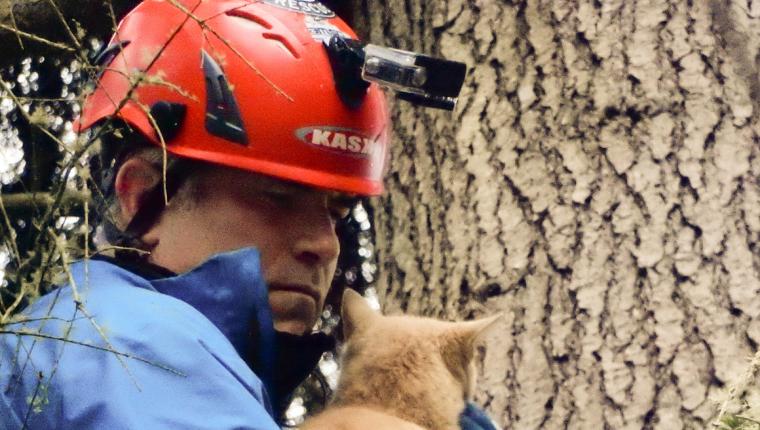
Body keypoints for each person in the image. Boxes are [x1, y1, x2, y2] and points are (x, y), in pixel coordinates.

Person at [0, 0, 497, 428]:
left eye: (338, 211)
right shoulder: (130, 343)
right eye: (276, 197)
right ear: (140, 195)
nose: (324, 245)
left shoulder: (90, 342)